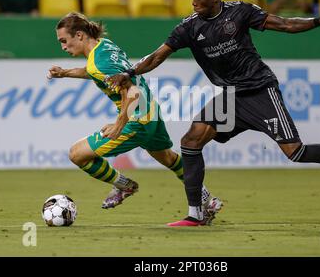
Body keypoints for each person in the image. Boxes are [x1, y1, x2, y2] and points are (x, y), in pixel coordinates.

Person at [108, 0, 320, 227]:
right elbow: (157, 55)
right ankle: (197, 214)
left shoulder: (241, 12)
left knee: (295, 152)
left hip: (260, 90)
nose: (193, 2)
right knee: (190, 142)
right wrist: (129, 72)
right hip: (230, 97)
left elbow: (285, 25)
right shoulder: (189, 28)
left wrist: (319, 21)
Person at [47, 12, 222, 224]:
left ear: (80, 35)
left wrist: (119, 124)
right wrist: (65, 73)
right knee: (169, 158)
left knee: (77, 154)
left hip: (136, 120)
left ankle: (124, 185)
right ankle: (207, 200)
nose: (63, 47)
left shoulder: (99, 63)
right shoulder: (104, 46)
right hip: (151, 112)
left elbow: (132, 92)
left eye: (64, 41)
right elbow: (93, 72)